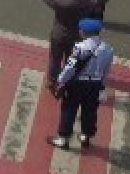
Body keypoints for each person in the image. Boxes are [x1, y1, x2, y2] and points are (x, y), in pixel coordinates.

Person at [48, 18, 114, 150]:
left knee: (69, 110)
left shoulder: (80, 48)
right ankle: (86, 136)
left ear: (84, 32)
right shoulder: (108, 49)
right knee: (90, 111)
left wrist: (60, 80)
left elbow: (70, 68)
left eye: (80, 30)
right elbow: (106, 71)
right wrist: (102, 86)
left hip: (77, 84)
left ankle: (63, 138)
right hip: (95, 84)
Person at [42, 0, 93, 91]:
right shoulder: (85, 4)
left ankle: (51, 81)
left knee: (55, 59)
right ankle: (66, 80)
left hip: (59, 35)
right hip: (76, 36)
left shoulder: (61, 2)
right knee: (70, 61)